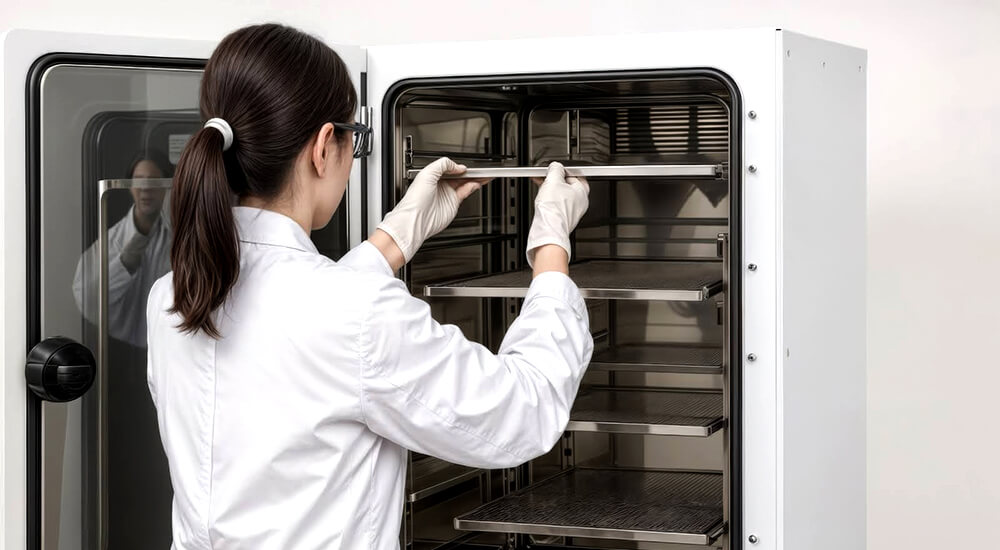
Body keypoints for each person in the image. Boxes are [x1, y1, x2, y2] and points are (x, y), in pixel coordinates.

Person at [146, 23, 593, 550]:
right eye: (354, 139)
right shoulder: (351, 313)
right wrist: (551, 246)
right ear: (321, 148)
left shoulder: (172, 295)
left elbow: (305, 324)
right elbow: (523, 410)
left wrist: (396, 237)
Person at [73, 150, 173, 346]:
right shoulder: (112, 240)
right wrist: (126, 260)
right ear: (128, 186)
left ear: (167, 186)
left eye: (153, 181)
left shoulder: (180, 238)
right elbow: (86, 295)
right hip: (120, 349)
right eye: (138, 180)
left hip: (168, 346)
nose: (145, 189)